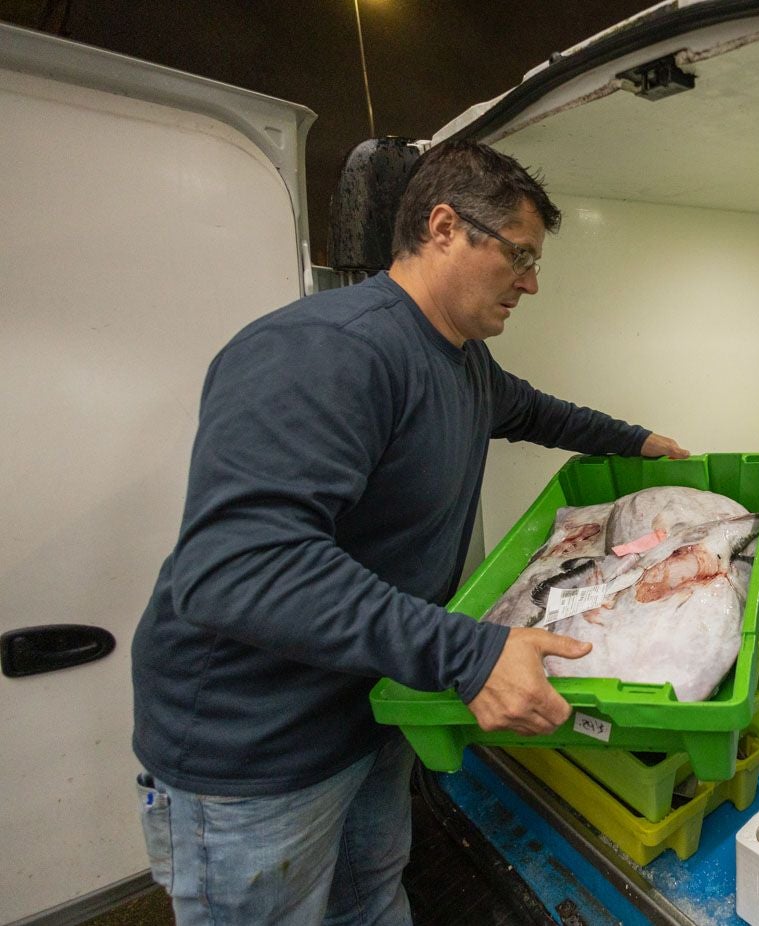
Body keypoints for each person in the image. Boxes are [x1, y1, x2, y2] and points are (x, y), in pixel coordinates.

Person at [130, 138, 688, 925]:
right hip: (256, 754)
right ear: (443, 227)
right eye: (518, 257)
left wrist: (635, 441)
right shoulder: (324, 351)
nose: (530, 283)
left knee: (371, 899)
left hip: (373, 705)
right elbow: (240, 569)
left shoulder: (459, 358)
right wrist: (467, 654)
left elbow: (529, 409)